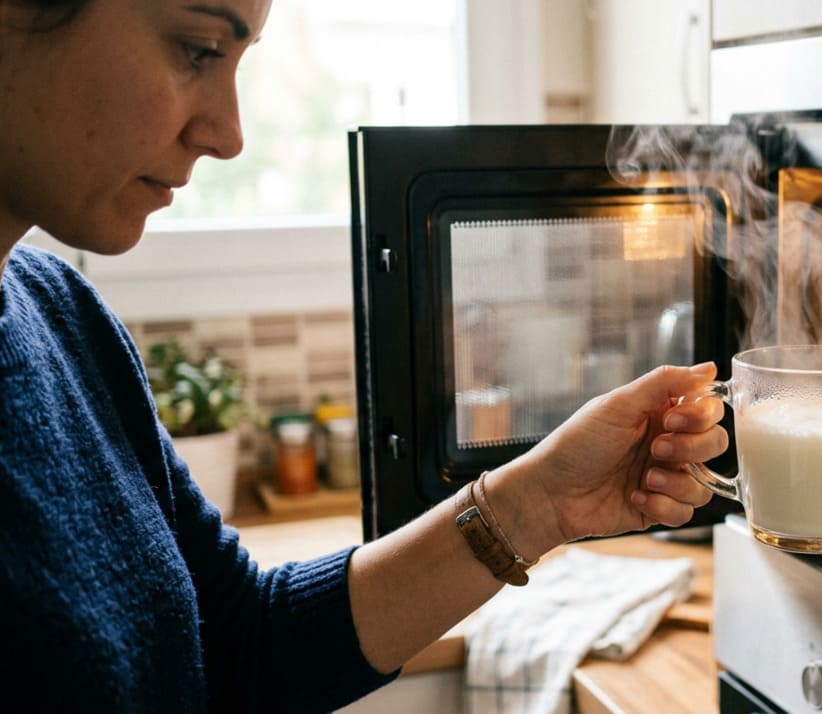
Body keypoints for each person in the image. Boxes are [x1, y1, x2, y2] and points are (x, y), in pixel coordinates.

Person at [0, 0, 727, 710]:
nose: (229, 135)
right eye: (198, 50)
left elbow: (241, 648)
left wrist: (537, 505)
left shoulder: (62, 315)